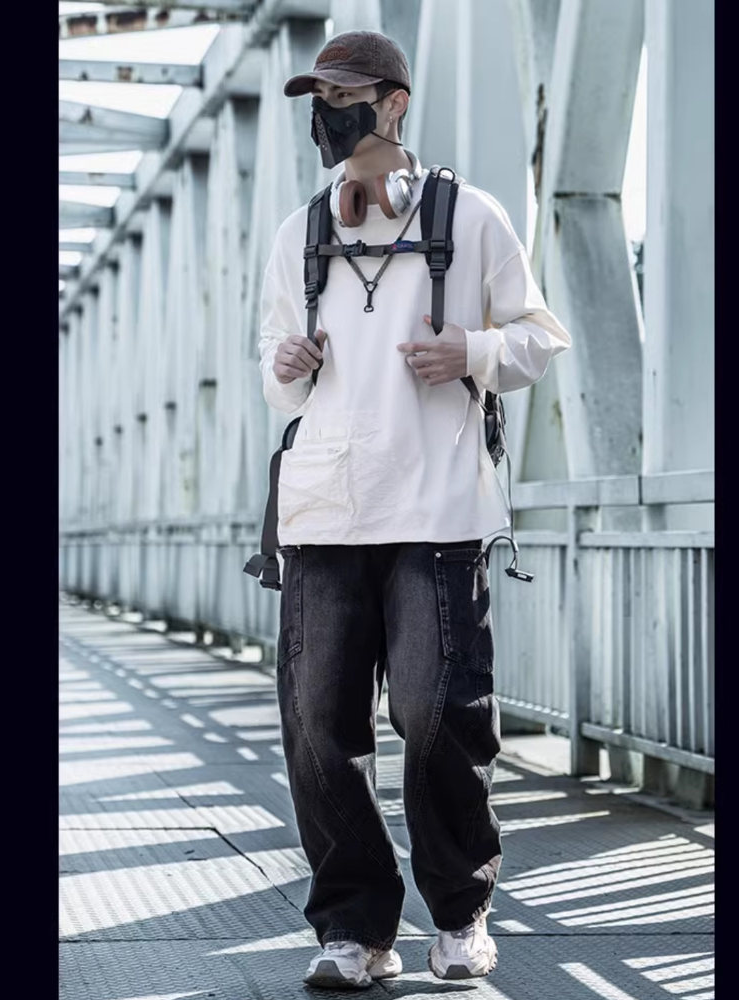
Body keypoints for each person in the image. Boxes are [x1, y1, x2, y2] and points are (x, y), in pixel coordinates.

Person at [257, 29, 571, 990]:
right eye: (318, 98)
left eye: (343, 94)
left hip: (437, 512)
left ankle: (462, 916)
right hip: (325, 514)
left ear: (394, 102)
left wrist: (470, 351)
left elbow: (541, 337)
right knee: (318, 725)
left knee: (438, 716)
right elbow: (274, 374)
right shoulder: (298, 232)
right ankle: (356, 931)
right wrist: (287, 364)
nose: (328, 113)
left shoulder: (470, 217)